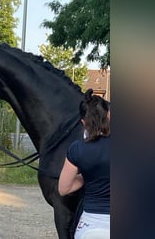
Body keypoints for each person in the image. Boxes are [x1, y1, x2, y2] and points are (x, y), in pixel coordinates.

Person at [58, 89, 110, 239]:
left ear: (83, 122)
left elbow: (63, 189)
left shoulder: (77, 149)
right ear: (108, 115)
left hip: (91, 225)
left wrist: (85, 177)